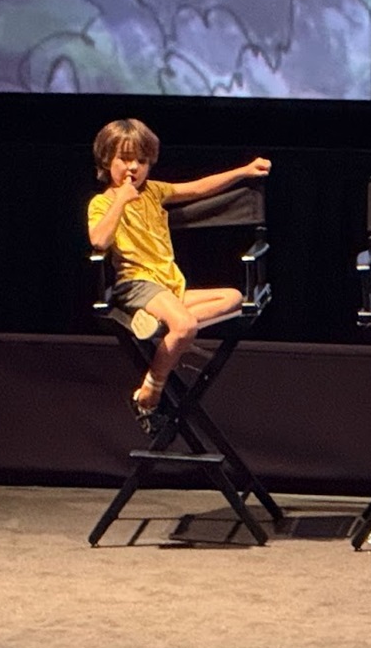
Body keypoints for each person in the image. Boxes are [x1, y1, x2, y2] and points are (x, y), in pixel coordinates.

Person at [85, 119, 271, 433]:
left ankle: (157, 323)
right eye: (125, 159)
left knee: (234, 298)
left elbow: (198, 188)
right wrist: (120, 199)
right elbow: (100, 241)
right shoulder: (101, 202)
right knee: (184, 326)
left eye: (142, 161)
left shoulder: (155, 191)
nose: (134, 168)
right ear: (106, 160)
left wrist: (243, 171)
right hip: (137, 284)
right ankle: (148, 394)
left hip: (169, 285)